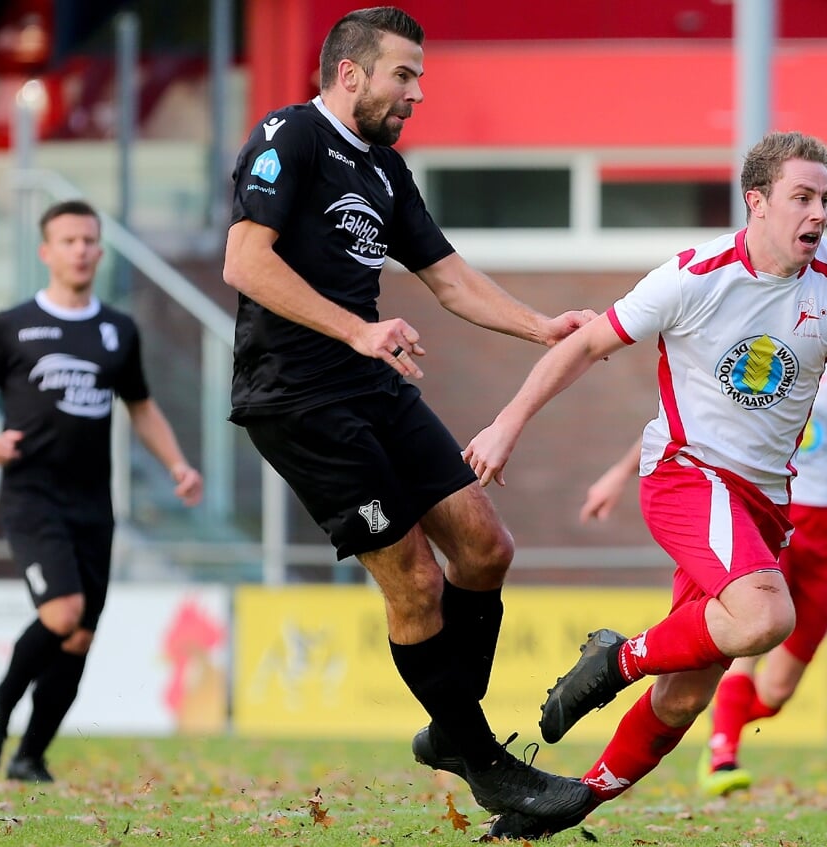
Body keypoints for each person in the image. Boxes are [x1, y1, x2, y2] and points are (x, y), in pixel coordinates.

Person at [463, 131, 827, 838]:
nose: (818, 213)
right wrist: (506, 423)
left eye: (826, 199)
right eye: (802, 197)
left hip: (765, 506)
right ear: (757, 202)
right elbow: (586, 344)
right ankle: (615, 660)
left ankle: (567, 804)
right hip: (688, 476)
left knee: (684, 696)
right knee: (767, 618)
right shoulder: (694, 275)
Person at [219, 6, 595, 821]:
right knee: (417, 581)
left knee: (486, 548)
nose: (417, 93)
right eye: (404, 75)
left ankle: (450, 726)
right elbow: (244, 260)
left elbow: (449, 277)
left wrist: (540, 325)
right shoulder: (290, 138)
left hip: (370, 381)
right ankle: (488, 762)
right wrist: (359, 328)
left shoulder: (386, 172)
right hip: (298, 396)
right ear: (349, 73)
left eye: (419, 76)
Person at [580, 344, 827, 796]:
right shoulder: (770, 343)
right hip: (771, 513)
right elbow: (687, 418)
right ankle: (722, 753)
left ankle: (715, 722)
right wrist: (619, 472)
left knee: (777, 693)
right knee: (755, 625)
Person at [0, 199, 203, 783]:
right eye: (68, 241)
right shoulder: (13, 324)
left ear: (100, 249)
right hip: (32, 495)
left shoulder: (118, 331)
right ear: (46, 252)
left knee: (80, 635)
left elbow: (140, 407)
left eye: (90, 240)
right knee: (63, 613)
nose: (81, 250)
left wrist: (177, 465)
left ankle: (30, 756)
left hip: (94, 502)